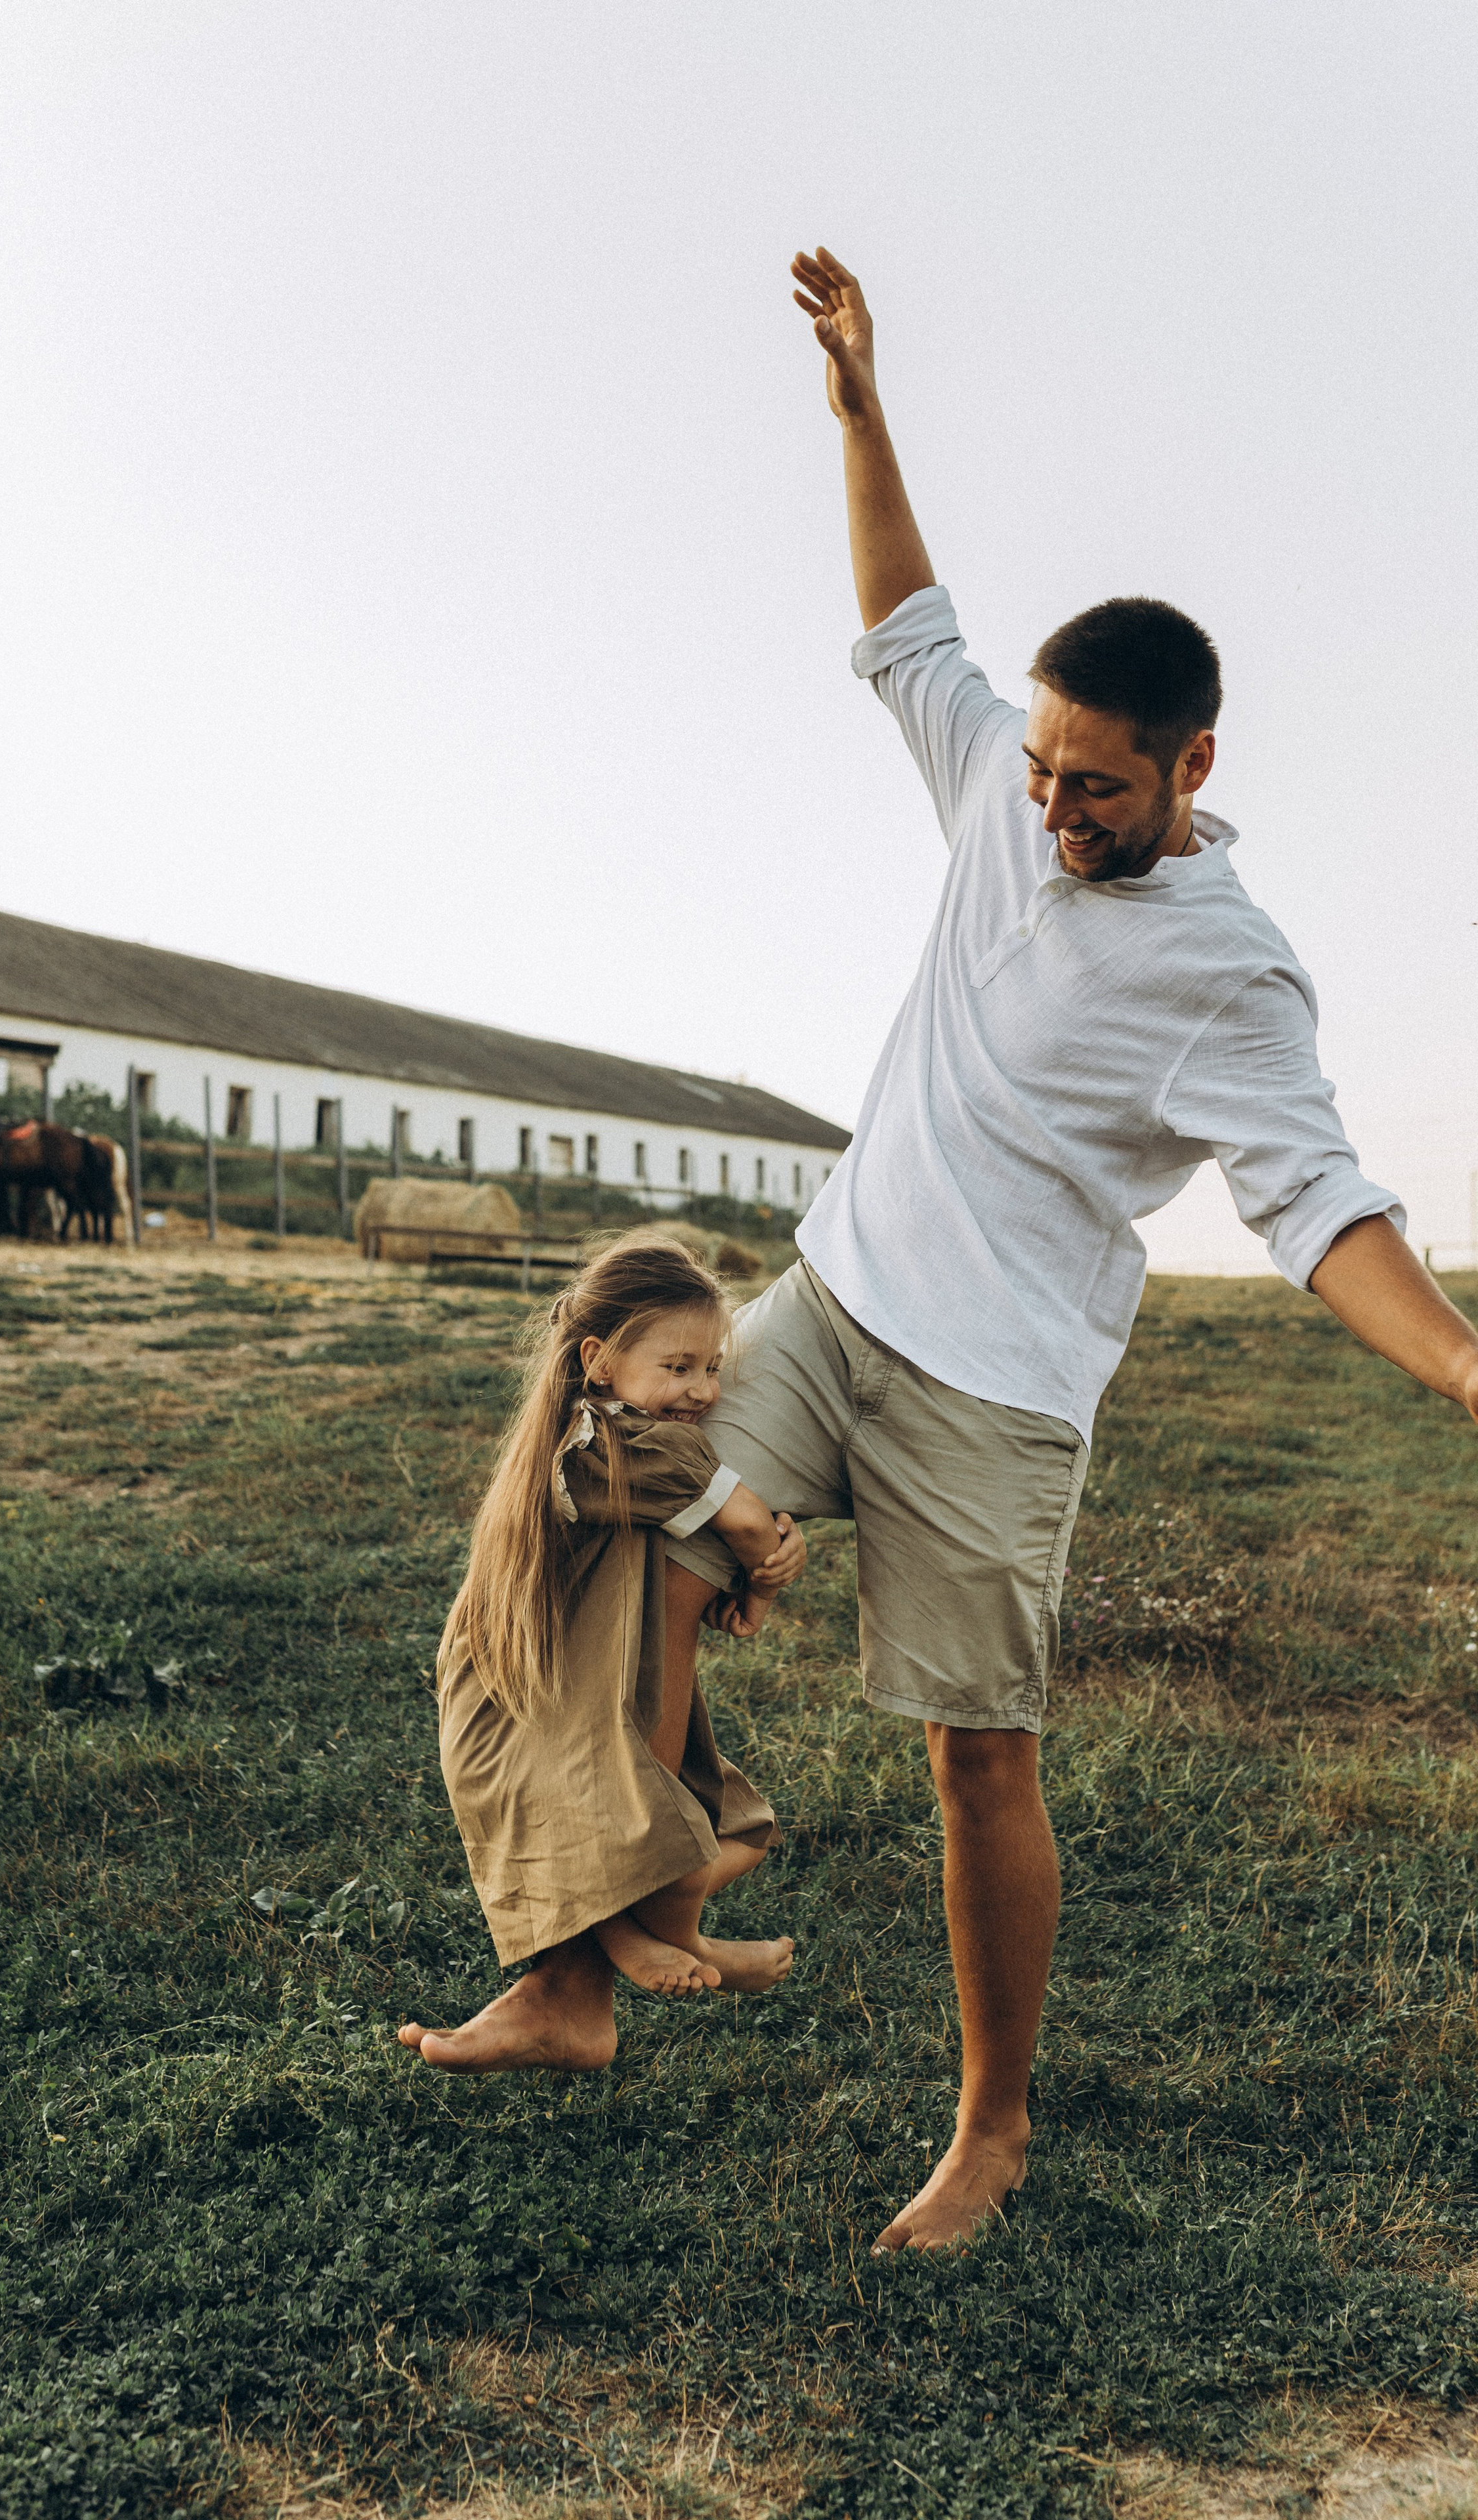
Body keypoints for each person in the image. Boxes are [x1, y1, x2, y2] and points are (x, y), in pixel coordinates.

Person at [658, 247, 1478, 2252]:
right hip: (828, 1298)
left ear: (1190, 768)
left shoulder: (1229, 969)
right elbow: (901, 623)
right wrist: (858, 398)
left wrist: (1459, 1365)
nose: (1050, 807)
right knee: (629, 1557)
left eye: (1092, 785)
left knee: (973, 1758)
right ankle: (611, 1941)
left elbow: (1318, 1204)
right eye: (1037, 766)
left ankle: (992, 2123)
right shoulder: (996, 790)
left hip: (992, 1389)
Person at [399, 1231, 806, 2074]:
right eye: (678, 1367)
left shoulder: (617, 1431)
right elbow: (746, 1525)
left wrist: (764, 1559)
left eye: (711, 1368)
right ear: (598, 1359)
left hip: (562, 1675)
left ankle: (644, 1942)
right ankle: (641, 1936)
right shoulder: (609, 1448)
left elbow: (749, 1527)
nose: (701, 1392)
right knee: (630, 1828)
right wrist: (762, 1583)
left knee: (734, 1831)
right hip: (513, 1697)